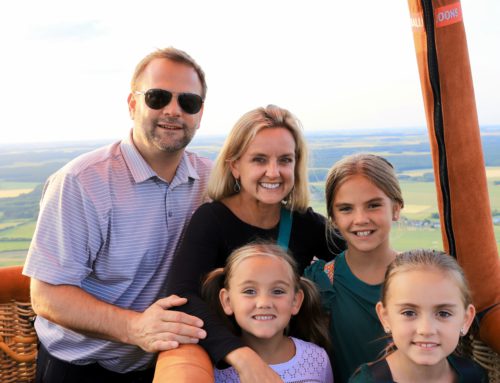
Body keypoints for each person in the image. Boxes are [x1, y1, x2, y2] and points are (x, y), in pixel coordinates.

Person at [23, 47, 211, 382]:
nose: (173, 110)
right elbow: (47, 296)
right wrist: (135, 327)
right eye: (157, 97)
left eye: (188, 102)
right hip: (79, 368)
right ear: (132, 104)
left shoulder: (209, 180)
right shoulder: (82, 182)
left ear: (199, 114)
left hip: (155, 364)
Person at [166, 105, 344, 382]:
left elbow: (358, 255)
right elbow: (182, 297)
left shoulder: (305, 224)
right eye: (259, 160)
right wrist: (241, 357)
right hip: (224, 367)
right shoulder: (212, 220)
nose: (273, 173)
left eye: (285, 160)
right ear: (235, 165)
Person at [304, 153, 404, 383]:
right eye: (346, 209)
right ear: (333, 219)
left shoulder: (425, 276)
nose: (360, 219)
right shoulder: (321, 281)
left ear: (396, 209)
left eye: (373, 205)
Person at [349, 249, 487, 382]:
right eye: (409, 313)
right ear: (385, 317)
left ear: (465, 319)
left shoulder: (474, 375)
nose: (426, 330)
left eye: (443, 313)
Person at [202, 242, 333, 383]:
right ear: (227, 301)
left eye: (278, 291)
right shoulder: (212, 369)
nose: (264, 303)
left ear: (296, 301)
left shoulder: (317, 358)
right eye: (249, 291)